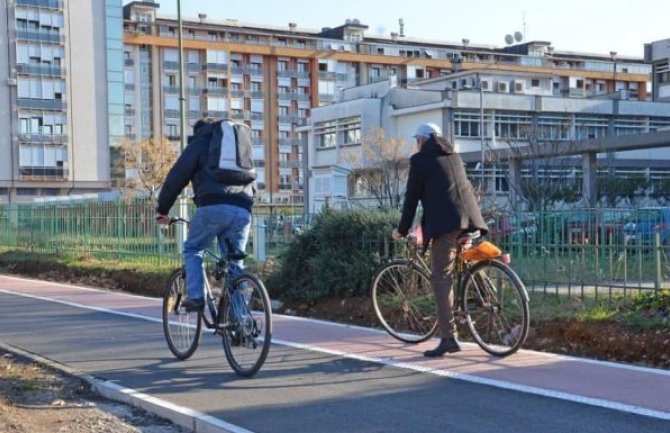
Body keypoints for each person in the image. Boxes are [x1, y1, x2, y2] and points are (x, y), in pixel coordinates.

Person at [392, 122, 488, 357]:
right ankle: (483, 295)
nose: (417, 144)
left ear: (423, 140)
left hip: (447, 225)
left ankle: (448, 338)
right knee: (466, 260)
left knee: (440, 277)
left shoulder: (421, 160)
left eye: (417, 140)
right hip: (472, 221)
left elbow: (411, 198)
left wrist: (402, 230)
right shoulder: (454, 155)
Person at [155, 119, 255, 311]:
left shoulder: (200, 143)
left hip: (211, 206)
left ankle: (196, 297)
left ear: (199, 131)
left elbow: (176, 177)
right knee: (235, 262)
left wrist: (163, 209)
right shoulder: (237, 149)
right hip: (243, 209)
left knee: (193, 248)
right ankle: (241, 322)